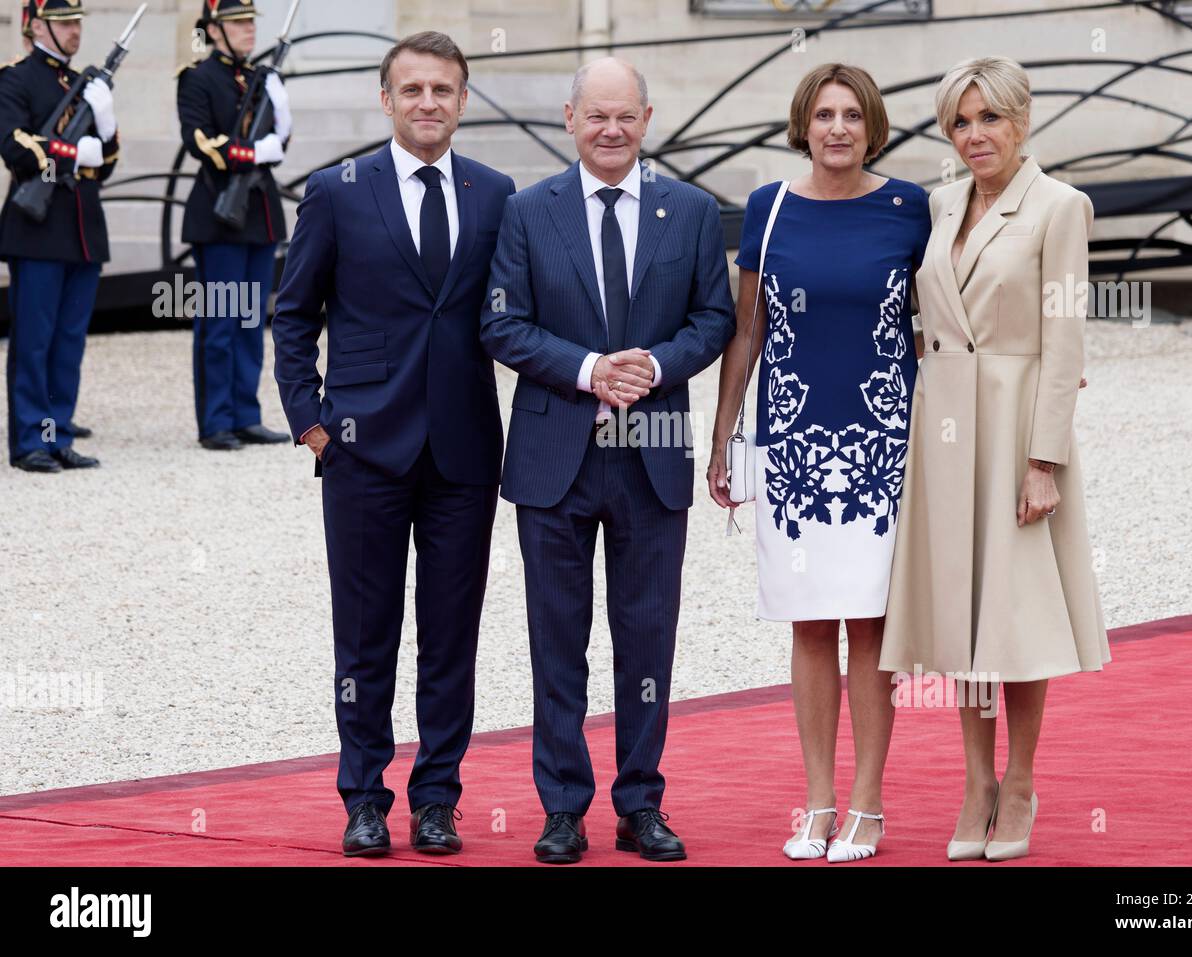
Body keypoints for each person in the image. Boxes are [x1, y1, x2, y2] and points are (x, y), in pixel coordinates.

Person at [480, 57, 734, 864]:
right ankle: (562, 808)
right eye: (597, 116)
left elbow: (714, 318)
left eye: (626, 116)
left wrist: (654, 366)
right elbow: (502, 324)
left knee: (647, 637)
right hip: (556, 449)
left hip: (653, 449)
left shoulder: (690, 212)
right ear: (570, 119)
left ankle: (640, 803)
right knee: (558, 638)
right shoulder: (526, 212)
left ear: (648, 118)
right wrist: (592, 370)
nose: (612, 130)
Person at [273, 31, 515, 858]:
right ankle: (363, 798)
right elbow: (294, 312)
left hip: (464, 454)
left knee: (452, 635)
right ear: (386, 100)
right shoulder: (338, 192)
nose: (427, 104)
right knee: (366, 635)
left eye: (443, 90)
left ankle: (438, 797)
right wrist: (310, 422)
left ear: (462, 100)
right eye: (411, 90)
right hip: (361, 451)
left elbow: (513, 314)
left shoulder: (495, 194)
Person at [879, 56, 1110, 862]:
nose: (975, 135)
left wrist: (1044, 459)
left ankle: (1019, 779)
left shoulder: (1059, 206)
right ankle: (974, 779)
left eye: (990, 119)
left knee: (1014, 610)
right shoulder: (942, 204)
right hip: (942, 422)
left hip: (1014, 426)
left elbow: (1065, 335)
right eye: (961, 122)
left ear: (1022, 119)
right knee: (962, 610)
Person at [707, 63, 930, 862]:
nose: (838, 128)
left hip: (883, 446)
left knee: (871, 625)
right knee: (808, 624)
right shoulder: (767, 210)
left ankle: (867, 804)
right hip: (792, 447)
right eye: (824, 115)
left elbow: (943, 323)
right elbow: (747, 332)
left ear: (873, 124)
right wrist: (724, 437)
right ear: (803, 123)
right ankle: (816, 802)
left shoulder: (912, 209)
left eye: (852, 115)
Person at [2, 0, 118, 473]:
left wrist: (104, 122)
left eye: (77, 22)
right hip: (37, 231)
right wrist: (75, 152)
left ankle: (58, 435)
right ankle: (31, 440)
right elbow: (16, 147)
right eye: (65, 22)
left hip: (82, 230)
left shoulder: (85, 85)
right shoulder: (15, 77)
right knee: (34, 342)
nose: (74, 30)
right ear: (36, 26)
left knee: (68, 344)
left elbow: (107, 162)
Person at [178, 0, 290, 451]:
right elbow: (200, 140)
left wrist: (280, 113)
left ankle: (246, 414)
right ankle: (215, 420)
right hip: (219, 214)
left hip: (258, 215)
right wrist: (254, 152)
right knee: (219, 321)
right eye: (238, 23)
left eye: (249, 22)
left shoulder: (263, 79)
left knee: (249, 319)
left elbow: (280, 141)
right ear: (214, 30)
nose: (248, 30)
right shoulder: (197, 78)